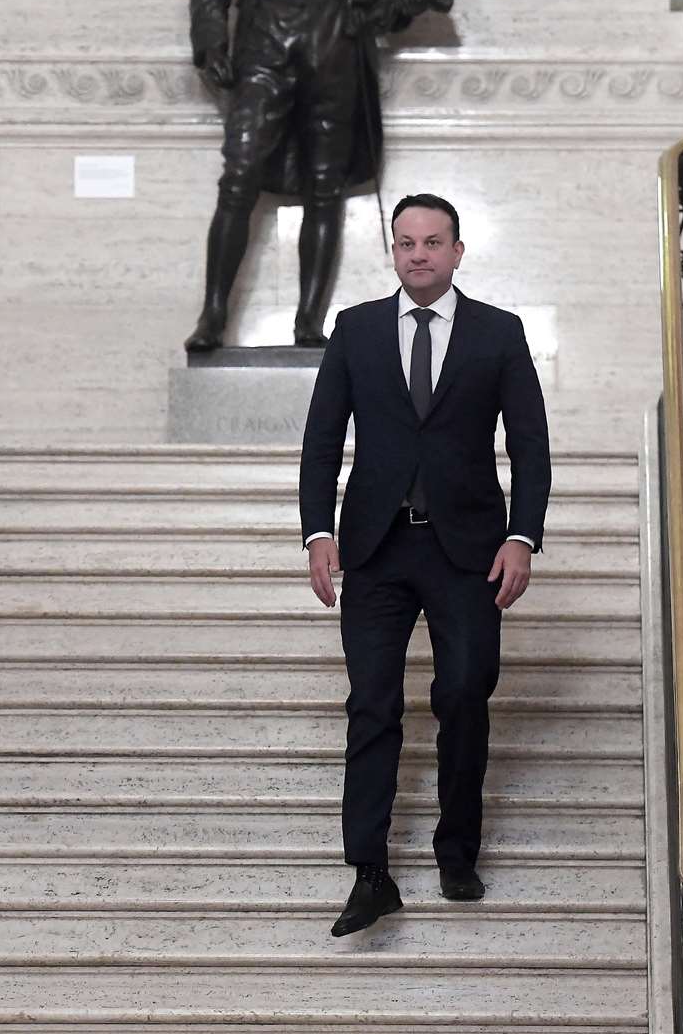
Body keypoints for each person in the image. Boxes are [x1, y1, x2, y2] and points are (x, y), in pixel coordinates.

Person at [297, 193, 552, 936]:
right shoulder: (355, 330)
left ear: (457, 251)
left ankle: (456, 852)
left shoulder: (497, 334)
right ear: (393, 251)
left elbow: (530, 449)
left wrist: (522, 537)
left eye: (432, 241)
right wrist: (317, 532)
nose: (418, 254)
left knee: (464, 695)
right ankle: (369, 871)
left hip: (466, 551)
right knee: (371, 705)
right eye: (405, 242)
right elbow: (321, 441)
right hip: (375, 549)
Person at [184, 0, 458, 353]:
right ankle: (213, 315)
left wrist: (388, 5)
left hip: (336, 36)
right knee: (240, 174)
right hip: (263, 34)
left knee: (325, 185)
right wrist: (210, 39)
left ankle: (309, 320)